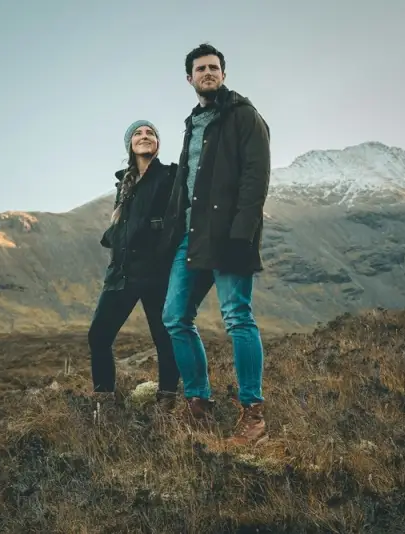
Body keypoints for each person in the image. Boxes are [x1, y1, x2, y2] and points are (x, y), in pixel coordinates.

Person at [160, 43, 271, 445]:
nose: (207, 73)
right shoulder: (193, 123)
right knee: (174, 316)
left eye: (214, 67)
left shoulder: (244, 116)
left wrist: (243, 234)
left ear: (223, 73)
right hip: (192, 237)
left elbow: (255, 179)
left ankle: (253, 415)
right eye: (200, 69)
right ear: (189, 78)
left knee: (237, 317)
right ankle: (200, 404)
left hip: (229, 236)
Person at [88, 120, 181, 409]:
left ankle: (167, 400)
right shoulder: (124, 184)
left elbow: (178, 219)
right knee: (98, 335)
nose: (145, 136)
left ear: (157, 144)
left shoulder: (171, 175)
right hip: (122, 273)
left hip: (157, 272)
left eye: (150, 133)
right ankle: (105, 404)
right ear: (130, 144)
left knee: (164, 339)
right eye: (138, 134)